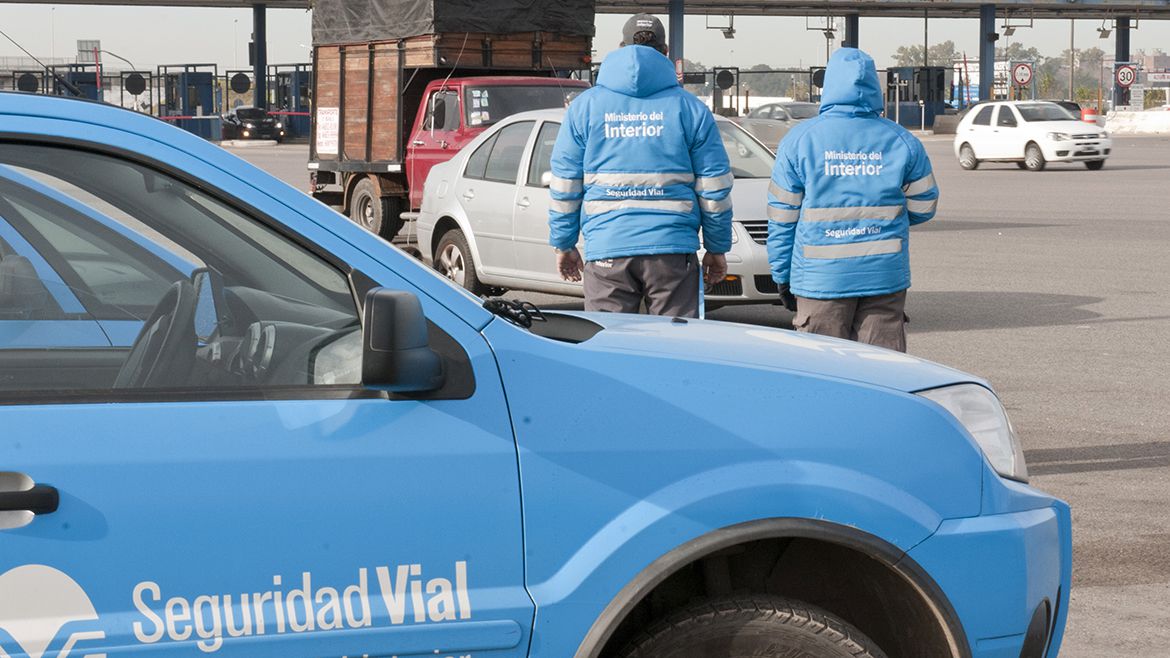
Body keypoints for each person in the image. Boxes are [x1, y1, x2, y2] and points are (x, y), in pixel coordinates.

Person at [547, 13, 732, 318]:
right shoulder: (690, 109)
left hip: (607, 249)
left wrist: (563, 243)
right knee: (677, 353)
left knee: (609, 353)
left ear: (620, 46)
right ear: (666, 52)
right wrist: (716, 246)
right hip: (672, 253)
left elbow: (565, 185)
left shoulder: (585, 108)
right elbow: (714, 188)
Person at [766, 47, 938, 352]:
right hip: (883, 278)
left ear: (828, 86)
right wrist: (882, 222)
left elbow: (782, 219)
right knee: (883, 376)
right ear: (876, 88)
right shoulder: (902, 141)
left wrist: (782, 276)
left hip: (820, 282)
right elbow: (924, 206)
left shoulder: (799, 140)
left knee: (824, 380)